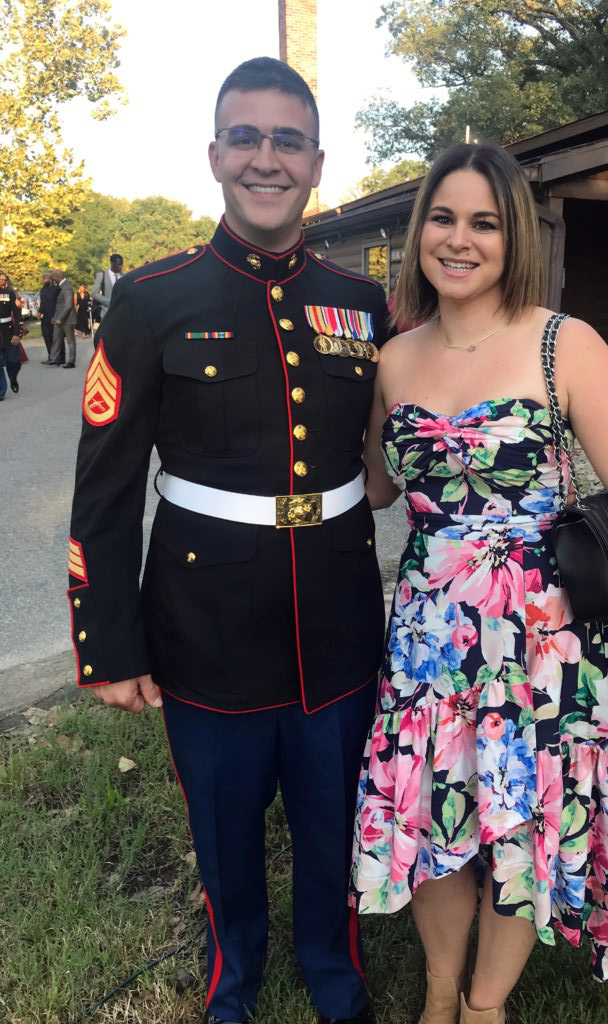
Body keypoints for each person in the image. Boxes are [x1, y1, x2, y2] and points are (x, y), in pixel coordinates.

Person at [67, 57, 389, 1024]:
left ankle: (335, 979)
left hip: (335, 612)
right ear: (215, 155)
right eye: (245, 137)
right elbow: (106, 494)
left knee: (334, 819)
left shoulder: (363, 304)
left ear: (317, 163)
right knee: (223, 825)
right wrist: (108, 647)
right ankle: (231, 982)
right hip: (202, 619)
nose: (266, 158)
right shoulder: (153, 299)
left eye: (287, 140)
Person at [350, 143, 608, 1024]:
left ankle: (485, 1004)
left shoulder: (561, 344)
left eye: (484, 223)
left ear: (513, 239)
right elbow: (380, 485)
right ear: (419, 228)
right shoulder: (393, 360)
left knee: (524, 822)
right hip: (429, 642)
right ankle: (436, 996)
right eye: (444, 217)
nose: (459, 240)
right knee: (434, 818)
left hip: (544, 641)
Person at [0, 271, 23, 398]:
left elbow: (17, 315)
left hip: (8, 331)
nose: (2, 281)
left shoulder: (9, 294)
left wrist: (17, 334)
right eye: (0, 279)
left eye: (4, 279)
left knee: (14, 361)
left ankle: (13, 378)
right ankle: (1, 391)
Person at [49, 269, 76, 368]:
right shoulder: (59, 286)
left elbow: (68, 305)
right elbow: (59, 305)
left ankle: (71, 361)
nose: (53, 279)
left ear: (57, 276)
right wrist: (55, 317)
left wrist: (60, 318)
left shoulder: (67, 287)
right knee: (56, 338)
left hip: (68, 318)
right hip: (58, 318)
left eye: (53, 277)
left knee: (70, 341)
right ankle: (53, 358)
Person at [91, 253, 123, 331]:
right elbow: (94, 293)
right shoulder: (102, 275)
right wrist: (108, 301)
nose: (121, 267)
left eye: (122, 264)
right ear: (112, 263)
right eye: (118, 264)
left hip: (121, 313)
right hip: (106, 313)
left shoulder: (124, 276)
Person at [39, 271, 59, 362]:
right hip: (45, 317)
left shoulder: (56, 289)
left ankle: (56, 357)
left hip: (54, 316)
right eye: (43, 278)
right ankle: (51, 356)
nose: (43, 280)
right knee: (46, 336)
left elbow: (60, 303)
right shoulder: (42, 289)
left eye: (45, 278)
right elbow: (42, 303)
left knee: (54, 337)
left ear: (51, 279)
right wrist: (39, 312)